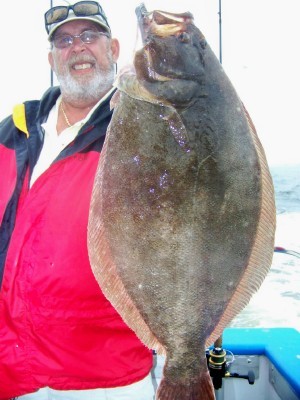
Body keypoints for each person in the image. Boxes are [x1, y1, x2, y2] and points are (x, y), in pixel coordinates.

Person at [0, 1, 155, 399]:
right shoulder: (13, 129)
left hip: (103, 375)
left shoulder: (146, 127)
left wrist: (151, 100)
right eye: (64, 41)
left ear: (115, 49)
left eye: (90, 36)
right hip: (12, 370)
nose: (78, 47)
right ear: (52, 58)